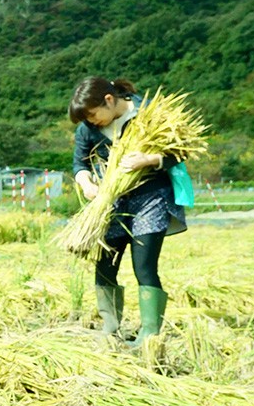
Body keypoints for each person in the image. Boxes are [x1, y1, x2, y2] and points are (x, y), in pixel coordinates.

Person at [69, 76, 186, 346]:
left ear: (109, 100)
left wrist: (150, 159)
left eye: (93, 115)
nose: (92, 122)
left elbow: (179, 151)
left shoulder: (148, 113)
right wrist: (86, 183)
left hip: (150, 197)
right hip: (111, 201)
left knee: (144, 266)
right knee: (105, 264)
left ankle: (149, 335)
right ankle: (111, 329)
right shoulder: (88, 128)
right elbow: (79, 164)